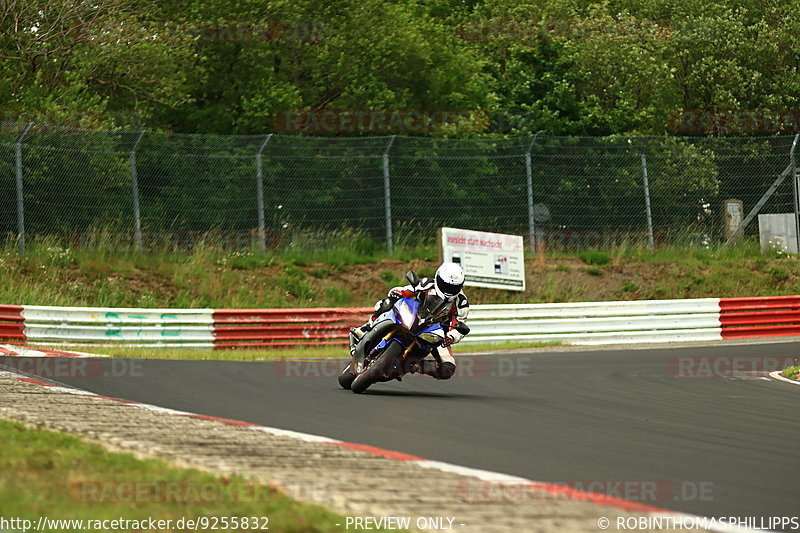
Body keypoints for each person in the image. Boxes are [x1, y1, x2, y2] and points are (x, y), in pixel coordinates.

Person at [350, 262, 470, 380]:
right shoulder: (427, 284)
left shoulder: (461, 303)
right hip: (414, 316)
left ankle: (413, 365)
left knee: (448, 368)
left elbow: (459, 325)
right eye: (445, 285)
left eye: (453, 287)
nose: (449, 290)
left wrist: (451, 336)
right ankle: (366, 328)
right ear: (438, 278)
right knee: (385, 304)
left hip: (436, 333)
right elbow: (407, 290)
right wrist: (397, 293)